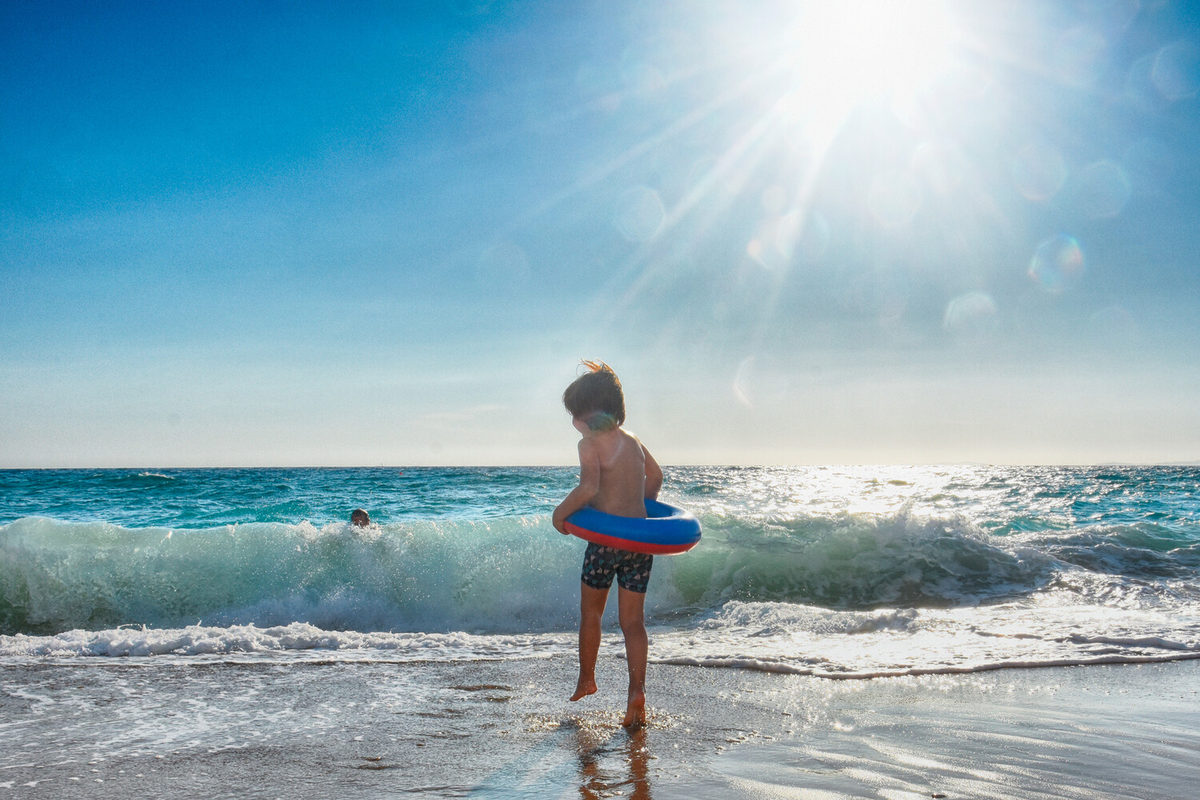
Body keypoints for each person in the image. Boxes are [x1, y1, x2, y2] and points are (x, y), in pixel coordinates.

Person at [552, 361, 663, 728]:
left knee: (592, 615)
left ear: (587, 415)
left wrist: (560, 515)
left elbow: (588, 488)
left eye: (574, 414)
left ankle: (587, 678)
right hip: (638, 544)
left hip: (605, 546)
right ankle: (637, 690)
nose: (573, 422)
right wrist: (644, 505)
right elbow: (657, 476)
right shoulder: (634, 441)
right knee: (633, 623)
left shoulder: (588, 445)